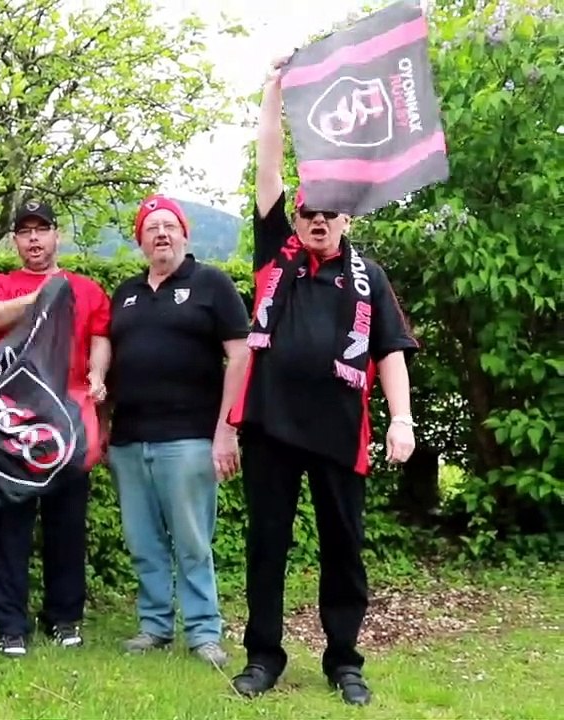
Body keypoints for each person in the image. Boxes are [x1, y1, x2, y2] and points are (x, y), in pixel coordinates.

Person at [227, 55, 420, 706]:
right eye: (307, 210)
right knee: (267, 548)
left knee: (343, 549)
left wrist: (403, 419)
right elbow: (269, 167)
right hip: (272, 429)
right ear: (297, 215)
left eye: (329, 214)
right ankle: (264, 657)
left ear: (346, 220)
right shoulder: (272, 256)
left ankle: (345, 661)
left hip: (341, 434)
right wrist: (273, 90)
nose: (316, 219)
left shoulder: (369, 278)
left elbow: (389, 352)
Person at [104, 195, 251, 669]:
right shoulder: (124, 293)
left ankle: (204, 632)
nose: (161, 233)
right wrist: (105, 428)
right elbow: (105, 364)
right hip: (128, 439)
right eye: (151, 227)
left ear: (185, 235)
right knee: (143, 540)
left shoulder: (212, 284)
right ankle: (154, 626)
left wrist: (227, 430)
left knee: (191, 542)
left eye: (170, 225)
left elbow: (242, 356)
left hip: (188, 437)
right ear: (140, 239)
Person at [0, 199, 111, 656]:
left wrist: (97, 375)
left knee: (66, 527)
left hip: (69, 424)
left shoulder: (88, 289)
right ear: (15, 240)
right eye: (25, 232)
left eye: (42, 230)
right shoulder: (1, 284)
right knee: (8, 527)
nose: (34, 239)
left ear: (57, 235)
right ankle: (10, 625)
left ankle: (64, 618)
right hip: (11, 428)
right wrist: (41, 296)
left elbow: (100, 336)